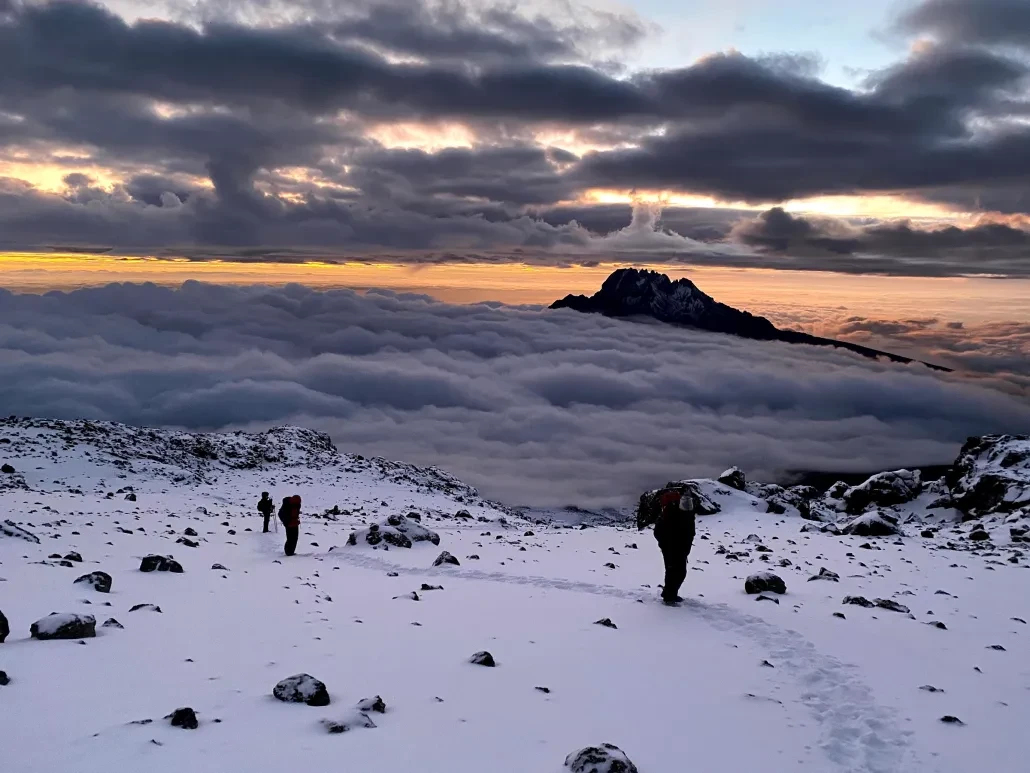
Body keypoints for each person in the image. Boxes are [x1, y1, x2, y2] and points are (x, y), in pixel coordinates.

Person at [650, 487, 697, 605]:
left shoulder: (687, 514)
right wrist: (666, 545)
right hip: (671, 547)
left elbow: (689, 531)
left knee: (677, 571)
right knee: (674, 571)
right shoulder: (671, 514)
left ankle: (670, 593)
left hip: (681, 547)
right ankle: (669, 597)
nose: (688, 505)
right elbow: (659, 532)